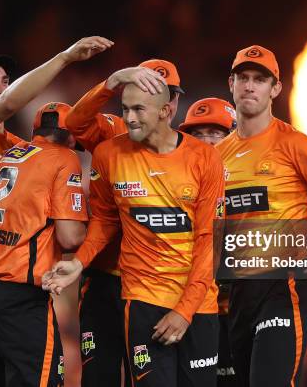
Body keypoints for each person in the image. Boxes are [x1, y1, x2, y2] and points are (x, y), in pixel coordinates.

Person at [0, 36, 113, 386]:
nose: (0, 89)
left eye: (3, 81)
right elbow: (13, 102)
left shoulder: (18, 150)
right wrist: (65, 57)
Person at [47, 75, 225, 387]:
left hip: (197, 304)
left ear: (165, 111)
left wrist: (184, 311)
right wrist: (78, 262)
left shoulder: (205, 158)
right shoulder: (108, 155)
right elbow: (105, 221)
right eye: (125, 108)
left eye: (139, 109)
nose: (129, 118)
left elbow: (209, 239)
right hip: (141, 300)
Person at [215, 45, 307, 386]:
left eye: (260, 80)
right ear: (231, 84)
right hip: (236, 291)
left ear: (275, 89)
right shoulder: (215, 156)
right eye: (244, 78)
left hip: (286, 282)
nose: (250, 86)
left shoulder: (296, 144)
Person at [64, 59, 181, 387]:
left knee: (143, 378)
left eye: (168, 95)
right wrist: (111, 81)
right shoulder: (113, 130)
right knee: (98, 376)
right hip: (103, 279)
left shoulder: (184, 151)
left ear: (172, 104)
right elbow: (75, 121)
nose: (163, 103)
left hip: (151, 284)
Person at [0, 102, 88, 387]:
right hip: (19, 298)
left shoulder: (11, 154)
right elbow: (69, 236)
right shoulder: (64, 157)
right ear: (71, 136)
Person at [178, 98, 237, 387]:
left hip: (242, 308)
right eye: (197, 134)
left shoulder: (249, 178)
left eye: (215, 133)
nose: (205, 141)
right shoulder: (179, 181)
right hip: (192, 306)